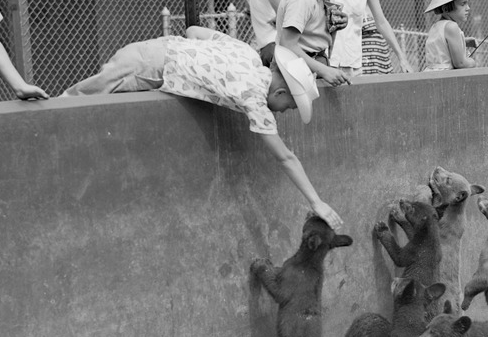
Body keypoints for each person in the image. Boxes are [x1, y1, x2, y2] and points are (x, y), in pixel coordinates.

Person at [60, 26, 344, 231]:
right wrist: (316, 201)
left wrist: (200, 67)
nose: (283, 112)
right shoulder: (254, 99)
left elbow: (195, 30)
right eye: (289, 107)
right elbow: (285, 157)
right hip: (146, 69)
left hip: (148, 50)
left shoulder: (245, 52)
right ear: (281, 93)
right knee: (69, 106)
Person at [423, 0, 478, 71]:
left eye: (467, 3)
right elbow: (460, 63)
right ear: (446, 8)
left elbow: (442, 45)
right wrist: (472, 62)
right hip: (446, 78)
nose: (468, 8)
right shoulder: (452, 26)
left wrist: (464, 41)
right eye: (463, 4)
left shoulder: (435, 26)